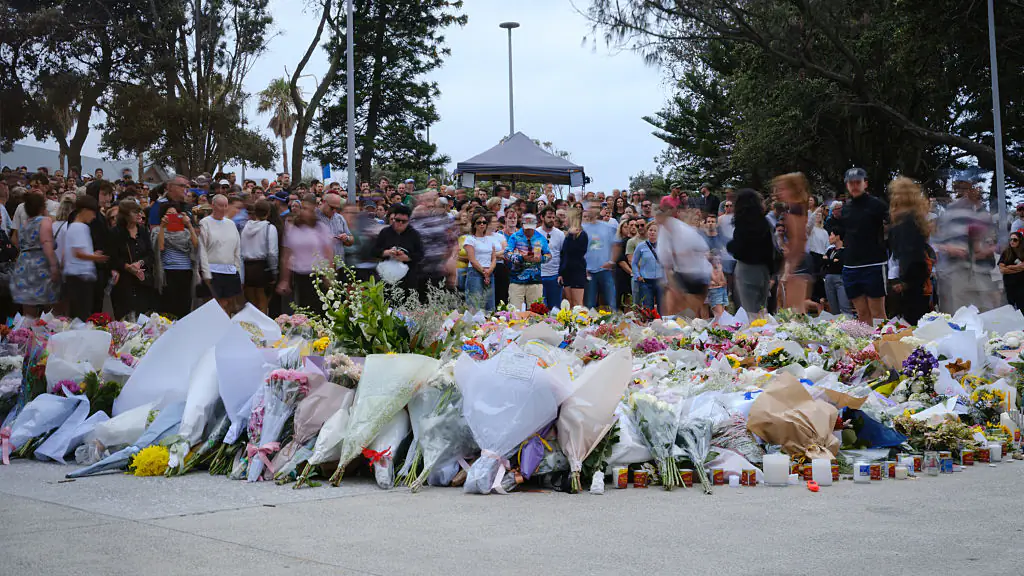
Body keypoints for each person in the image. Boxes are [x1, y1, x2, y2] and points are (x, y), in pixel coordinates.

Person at [934, 173, 1001, 313]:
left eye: (974, 187)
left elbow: (1001, 242)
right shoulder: (952, 211)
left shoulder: (984, 214)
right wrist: (951, 248)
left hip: (983, 274)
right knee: (961, 315)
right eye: (964, 188)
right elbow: (936, 241)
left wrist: (987, 250)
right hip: (958, 273)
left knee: (987, 314)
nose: (971, 190)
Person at [838, 167, 889, 323]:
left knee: (878, 312)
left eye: (858, 182)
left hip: (874, 263)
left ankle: (884, 346)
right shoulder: (845, 207)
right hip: (851, 266)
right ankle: (866, 347)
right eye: (850, 183)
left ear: (865, 183)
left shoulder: (877, 205)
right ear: (846, 185)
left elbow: (891, 228)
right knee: (861, 314)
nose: (854, 186)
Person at [887, 177, 933, 325]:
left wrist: (904, 282)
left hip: (911, 275)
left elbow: (909, 253)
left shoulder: (906, 220)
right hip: (915, 274)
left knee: (912, 319)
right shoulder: (915, 218)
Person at [278, 196, 333, 310]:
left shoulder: (321, 228)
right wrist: (284, 280)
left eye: (307, 209)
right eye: (302, 208)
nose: (303, 212)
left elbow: (328, 253)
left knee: (318, 309)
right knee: (302, 309)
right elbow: (286, 256)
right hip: (298, 276)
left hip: (318, 275)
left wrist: (329, 276)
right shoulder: (292, 229)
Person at [10, 192, 60, 316]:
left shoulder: (25, 223)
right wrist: (54, 267)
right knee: (49, 307)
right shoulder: (45, 221)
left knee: (28, 308)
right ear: (42, 207)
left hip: (23, 264)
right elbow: (46, 243)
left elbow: (18, 242)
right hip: (40, 264)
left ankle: (27, 333)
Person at [726, 189, 775, 314]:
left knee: (747, 309)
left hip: (746, 269)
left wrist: (729, 246)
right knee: (761, 308)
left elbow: (738, 248)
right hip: (763, 270)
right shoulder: (764, 223)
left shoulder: (741, 224)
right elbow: (770, 249)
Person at [62, 196, 108, 321]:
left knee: (82, 312)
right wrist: (96, 257)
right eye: (93, 213)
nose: (93, 217)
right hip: (78, 276)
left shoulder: (81, 227)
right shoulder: (77, 227)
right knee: (80, 314)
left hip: (82, 276)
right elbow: (78, 253)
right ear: (84, 210)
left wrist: (93, 254)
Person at [109, 200, 157, 319]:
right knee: (125, 318)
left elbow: (151, 254)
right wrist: (128, 267)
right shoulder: (115, 232)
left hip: (143, 280)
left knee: (143, 317)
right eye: (135, 212)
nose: (139, 215)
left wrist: (140, 263)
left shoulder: (143, 231)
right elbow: (112, 258)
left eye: (139, 212)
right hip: (124, 282)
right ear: (125, 215)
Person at [198, 194, 243, 313]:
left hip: (230, 271)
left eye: (225, 206)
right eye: (220, 205)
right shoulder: (205, 223)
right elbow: (202, 249)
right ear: (213, 206)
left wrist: (237, 269)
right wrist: (206, 272)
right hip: (213, 271)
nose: (223, 208)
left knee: (228, 306)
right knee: (213, 307)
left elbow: (237, 248)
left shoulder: (231, 224)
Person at [154, 203, 198, 319]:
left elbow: (196, 245)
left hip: (186, 272)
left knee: (184, 305)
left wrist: (189, 224)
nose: (172, 216)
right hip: (168, 272)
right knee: (169, 306)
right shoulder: (158, 230)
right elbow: (160, 247)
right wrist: (163, 226)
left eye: (175, 214)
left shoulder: (186, 232)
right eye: (169, 214)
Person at [373, 203, 423, 294]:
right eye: (397, 220)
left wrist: (407, 257)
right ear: (393, 219)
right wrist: (387, 252)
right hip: (386, 277)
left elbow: (420, 254)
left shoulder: (414, 234)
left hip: (408, 279)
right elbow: (374, 251)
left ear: (408, 221)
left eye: (403, 221)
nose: (400, 223)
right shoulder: (385, 232)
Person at [240, 200, 279, 314]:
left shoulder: (245, 228)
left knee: (251, 303)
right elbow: (272, 252)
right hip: (262, 268)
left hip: (247, 267)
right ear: (268, 213)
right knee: (263, 302)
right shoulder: (270, 228)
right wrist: (274, 271)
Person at [504, 213, 550, 309]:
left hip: (535, 280)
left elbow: (548, 255)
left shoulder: (541, 238)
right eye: (526, 227)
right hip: (516, 280)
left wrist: (541, 258)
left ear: (536, 225)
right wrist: (520, 258)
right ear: (522, 225)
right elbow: (507, 253)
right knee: (514, 311)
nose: (528, 230)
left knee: (536, 311)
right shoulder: (515, 237)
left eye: (531, 227)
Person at [582, 204, 620, 311]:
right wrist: (583, 267)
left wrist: (612, 261)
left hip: (605, 271)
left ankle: (613, 325)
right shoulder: (582, 228)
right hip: (588, 271)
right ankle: (589, 326)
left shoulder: (609, 227)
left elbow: (617, 244)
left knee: (611, 303)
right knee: (589, 305)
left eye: (595, 208)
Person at [464, 211, 498, 311]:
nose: (482, 224)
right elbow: (472, 260)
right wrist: (485, 273)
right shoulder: (470, 239)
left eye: (484, 222)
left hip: (489, 271)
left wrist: (489, 271)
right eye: (479, 222)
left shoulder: (490, 239)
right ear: (474, 225)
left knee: (490, 305)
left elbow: (494, 258)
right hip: (475, 272)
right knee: (475, 305)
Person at [558, 208, 588, 308]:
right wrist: (561, 273)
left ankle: (581, 322)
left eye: (566, 217)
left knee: (577, 303)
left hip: (577, 271)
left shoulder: (582, 234)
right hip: (567, 272)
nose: (564, 219)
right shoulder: (567, 235)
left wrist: (571, 235)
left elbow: (577, 252)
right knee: (569, 303)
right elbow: (564, 254)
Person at [317, 192, 353, 273]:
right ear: (324, 202)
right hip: (320, 267)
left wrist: (346, 238)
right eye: (332, 207)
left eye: (337, 208)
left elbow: (351, 239)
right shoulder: (313, 217)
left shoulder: (339, 218)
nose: (334, 211)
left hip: (339, 267)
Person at [538, 207, 565, 309]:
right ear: (542, 217)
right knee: (540, 308)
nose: (551, 220)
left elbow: (564, 254)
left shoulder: (560, 234)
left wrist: (562, 273)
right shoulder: (535, 233)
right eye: (549, 217)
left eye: (553, 217)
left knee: (555, 309)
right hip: (539, 275)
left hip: (555, 275)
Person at [631, 222, 662, 311]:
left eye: (655, 231)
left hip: (660, 280)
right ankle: (649, 324)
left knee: (662, 308)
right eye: (650, 230)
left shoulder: (663, 246)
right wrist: (638, 276)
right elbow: (634, 263)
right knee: (648, 307)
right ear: (647, 232)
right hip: (646, 281)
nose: (652, 232)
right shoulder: (641, 246)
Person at [823, 229, 854, 315]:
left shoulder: (844, 251)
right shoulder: (830, 250)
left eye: (831, 235)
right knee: (833, 308)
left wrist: (829, 261)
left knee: (844, 305)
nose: (829, 237)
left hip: (840, 278)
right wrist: (832, 261)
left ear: (837, 237)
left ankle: (848, 325)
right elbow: (823, 262)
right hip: (828, 278)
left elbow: (839, 264)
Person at [999, 231, 1024, 310]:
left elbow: (1023, 267)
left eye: (1015, 240)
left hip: (1021, 284)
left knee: (1021, 306)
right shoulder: (1006, 252)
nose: (1012, 242)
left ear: (1020, 241)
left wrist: (1009, 267)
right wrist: (1017, 268)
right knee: (1010, 307)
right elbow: (1002, 269)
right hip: (1009, 284)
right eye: (1010, 240)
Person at [707, 253, 728, 318]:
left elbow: (724, 282)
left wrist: (718, 283)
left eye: (719, 259)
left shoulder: (718, 268)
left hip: (722, 291)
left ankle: (722, 327)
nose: (718, 261)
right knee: (719, 316)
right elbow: (717, 280)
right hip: (715, 292)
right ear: (711, 260)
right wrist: (719, 270)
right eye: (716, 259)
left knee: (724, 315)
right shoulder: (710, 269)